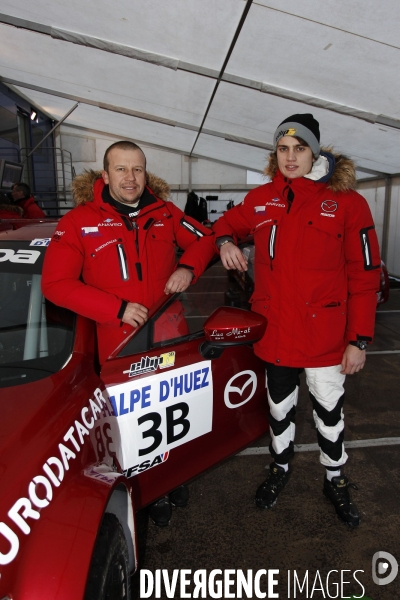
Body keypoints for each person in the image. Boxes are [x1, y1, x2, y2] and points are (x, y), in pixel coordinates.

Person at [212, 113, 381, 527]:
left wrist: (359, 339)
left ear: (315, 151)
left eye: (299, 149)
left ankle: (335, 477)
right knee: (278, 409)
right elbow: (224, 223)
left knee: (328, 412)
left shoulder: (348, 204)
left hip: (325, 338)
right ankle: (280, 467)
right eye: (283, 149)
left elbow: (365, 276)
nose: (290, 157)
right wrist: (224, 242)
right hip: (276, 335)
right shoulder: (262, 199)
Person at [42, 140, 216, 525]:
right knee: (128, 426)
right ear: (105, 175)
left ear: (146, 173)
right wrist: (116, 309)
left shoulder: (166, 213)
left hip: (170, 339)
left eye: (137, 169)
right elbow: (55, 284)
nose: (130, 177)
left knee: (173, 415)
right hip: (117, 347)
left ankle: (170, 478)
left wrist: (188, 268)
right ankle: (145, 490)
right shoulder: (78, 222)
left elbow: (206, 239)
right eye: (121, 169)